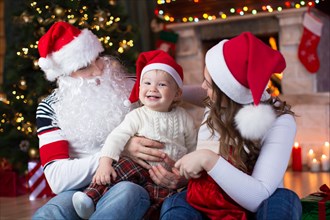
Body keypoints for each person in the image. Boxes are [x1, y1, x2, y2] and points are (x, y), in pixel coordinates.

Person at [158, 32, 303, 219]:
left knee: (285, 198)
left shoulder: (280, 122)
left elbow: (259, 195)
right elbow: (199, 94)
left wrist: (207, 159)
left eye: (208, 85)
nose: (203, 87)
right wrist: (169, 91)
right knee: (176, 202)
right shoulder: (219, 102)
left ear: (228, 94)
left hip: (253, 204)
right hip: (210, 200)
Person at [32, 21, 159, 220]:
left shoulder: (134, 85)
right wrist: (116, 151)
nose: (98, 70)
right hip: (79, 190)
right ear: (65, 75)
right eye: (84, 67)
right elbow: (57, 178)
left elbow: (176, 94)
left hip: (130, 182)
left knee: (127, 195)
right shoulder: (50, 107)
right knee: (51, 213)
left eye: (98, 58)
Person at [71, 50, 197, 219]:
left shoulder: (184, 118)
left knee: (159, 202)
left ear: (177, 93)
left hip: (164, 177)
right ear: (139, 88)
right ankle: (90, 199)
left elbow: (193, 148)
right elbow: (116, 138)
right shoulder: (137, 115)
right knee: (118, 169)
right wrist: (104, 163)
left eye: (162, 85)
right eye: (147, 83)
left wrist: (186, 173)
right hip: (137, 168)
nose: (153, 88)